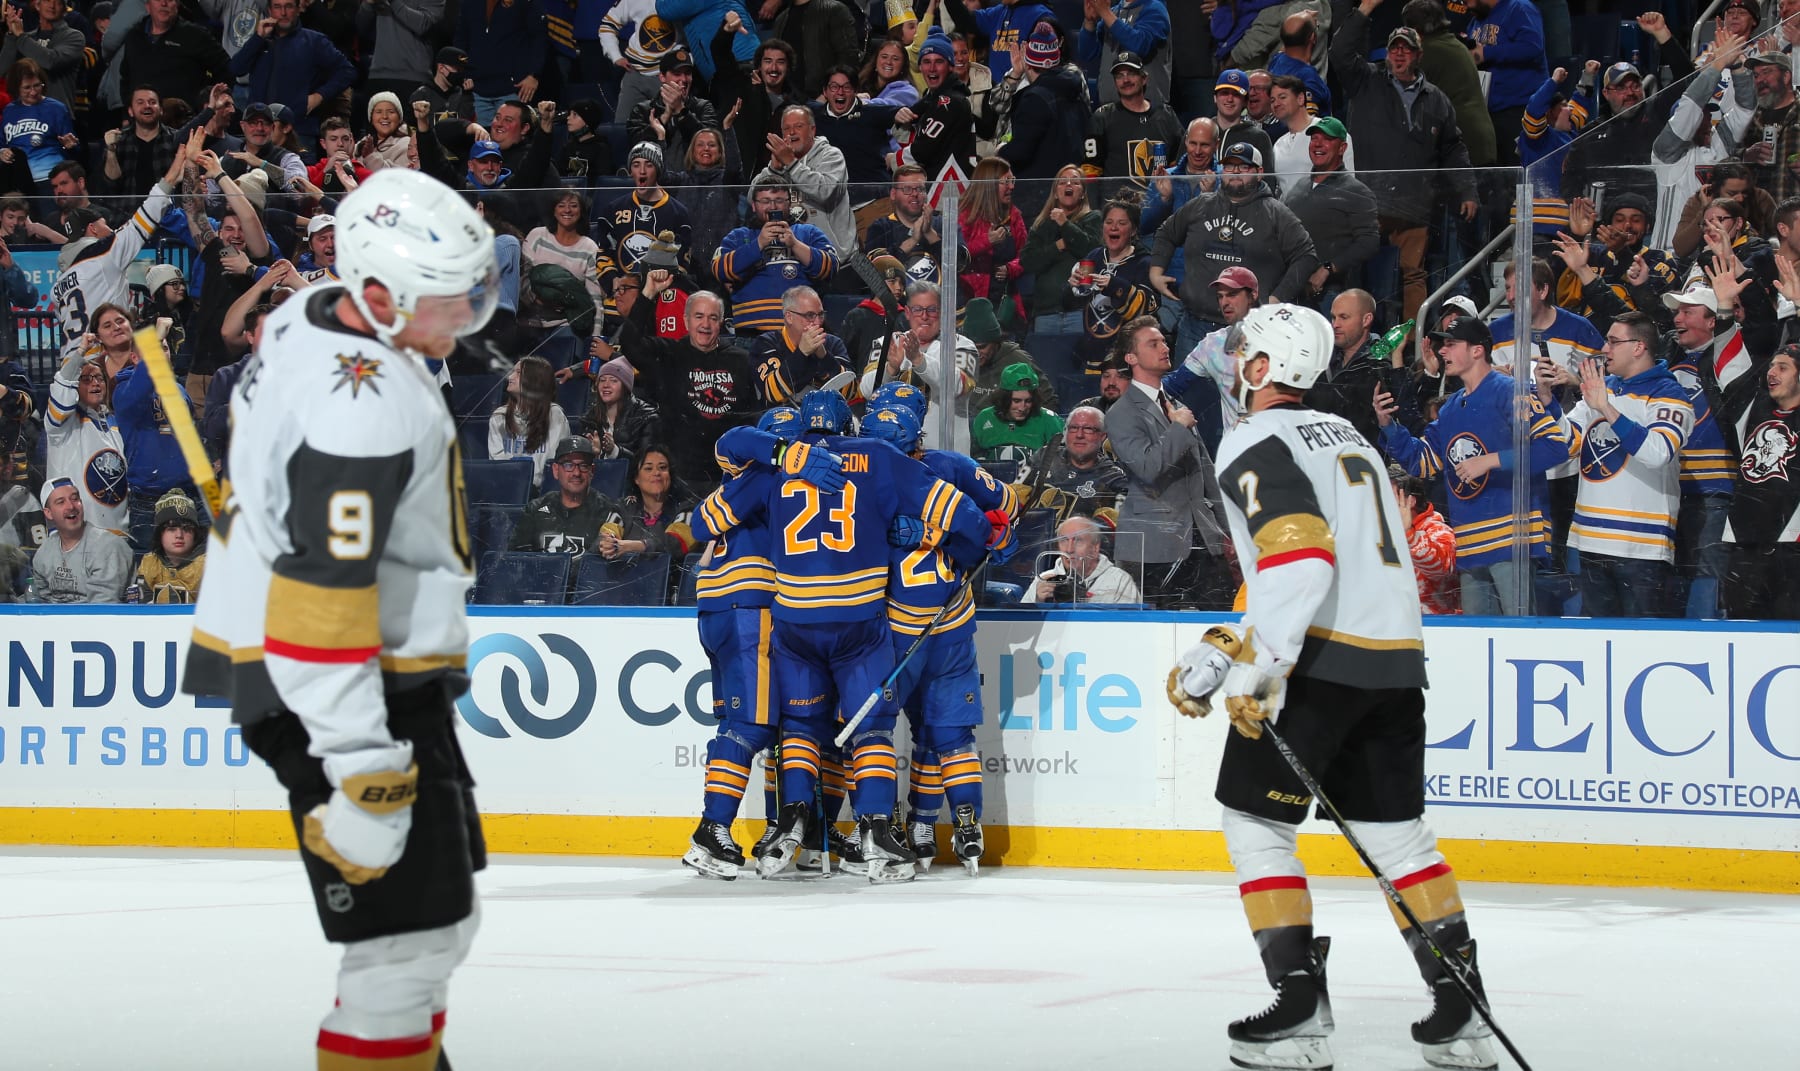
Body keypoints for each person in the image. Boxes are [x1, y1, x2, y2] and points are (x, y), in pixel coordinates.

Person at [180, 168, 497, 1071]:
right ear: (375, 293)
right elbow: (323, 594)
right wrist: (362, 769)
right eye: (446, 297)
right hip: (343, 687)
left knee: (432, 930)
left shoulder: (314, 308)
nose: (468, 312)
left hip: (350, 672)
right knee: (403, 952)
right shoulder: (365, 412)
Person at [1168, 302, 1500, 1071]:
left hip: (1317, 665)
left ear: (1260, 370)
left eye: (1242, 351)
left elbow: (1302, 561)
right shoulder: (1349, 436)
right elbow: (1323, 564)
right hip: (1392, 663)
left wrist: (1261, 668)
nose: (1233, 360)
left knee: (1255, 824)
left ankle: (1299, 1011)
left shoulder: (1253, 437)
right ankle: (1464, 1012)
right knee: (1398, 839)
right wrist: (1225, 646)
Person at [692, 389, 1002, 883]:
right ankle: (877, 833)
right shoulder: (879, 457)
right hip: (861, 621)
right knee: (872, 728)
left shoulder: (775, 464)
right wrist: (956, 542)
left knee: (798, 726)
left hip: (790, 621)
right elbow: (968, 517)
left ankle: (789, 822)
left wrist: (779, 457)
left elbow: (701, 518)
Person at [1378, 314, 1568, 616]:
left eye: (1451, 344)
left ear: (1478, 350)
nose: (1442, 351)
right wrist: (1389, 427)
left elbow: (1556, 447)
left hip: (1511, 539)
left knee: (1517, 636)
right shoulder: (1452, 406)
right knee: (1478, 641)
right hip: (1469, 543)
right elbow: (1424, 462)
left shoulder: (1510, 391)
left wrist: (1491, 461)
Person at [1330, 16, 1477, 323]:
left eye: (1406, 50)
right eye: (1393, 48)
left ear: (1418, 56)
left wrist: (1467, 190)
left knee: (1414, 274)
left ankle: (1411, 342)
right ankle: (1358, 336)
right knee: (1359, 272)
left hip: (1415, 204)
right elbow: (1340, 54)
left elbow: (1453, 148)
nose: (1398, 54)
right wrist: (1364, 12)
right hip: (1370, 203)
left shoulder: (1436, 99)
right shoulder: (1367, 82)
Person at [1555, 310, 1693, 618]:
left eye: (1614, 341)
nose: (1605, 349)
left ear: (1639, 347)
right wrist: (1546, 399)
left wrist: (1604, 407)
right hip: (1590, 540)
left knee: (1641, 646)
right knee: (1597, 645)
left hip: (1640, 547)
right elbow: (1568, 442)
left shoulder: (1669, 394)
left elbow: (1658, 452)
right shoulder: (1604, 387)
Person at [1104, 315, 1233, 609]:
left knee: (1221, 624)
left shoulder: (1177, 408)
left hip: (1203, 541)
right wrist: (1178, 428)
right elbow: (1148, 469)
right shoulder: (1122, 413)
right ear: (1131, 357)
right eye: (1153, 343)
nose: (1164, 347)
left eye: (1163, 340)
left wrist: (1228, 532)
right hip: (1154, 549)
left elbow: (1207, 475)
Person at [1149, 141, 1319, 358]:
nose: (1235, 172)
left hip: (1250, 331)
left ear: (1259, 173)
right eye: (1229, 166)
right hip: (1194, 326)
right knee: (1185, 391)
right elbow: (1166, 232)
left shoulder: (1276, 213)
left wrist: (1277, 298)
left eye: (1243, 167)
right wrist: (1155, 272)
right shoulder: (1201, 205)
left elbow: (1306, 255)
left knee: (1242, 393)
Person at [622, 268, 760, 489]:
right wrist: (648, 293)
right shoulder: (669, 354)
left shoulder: (742, 360)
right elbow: (629, 342)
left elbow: (750, 414)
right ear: (686, 320)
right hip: (681, 476)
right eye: (699, 316)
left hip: (729, 474)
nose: (705, 325)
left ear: (721, 322)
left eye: (712, 318)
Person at [56, 148, 185, 361]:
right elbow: (143, 218)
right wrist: (171, 177)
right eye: (104, 225)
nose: (110, 230)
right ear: (93, 230)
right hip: (102, 359)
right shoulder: (104, 254)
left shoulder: (59, 282)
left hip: (70, 364)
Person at [1721, 344, 1800, 620]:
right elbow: (1727, 371)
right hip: (1744, 544)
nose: (1772, 373)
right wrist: (1724, 312)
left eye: (1783, 367)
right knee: (1741, 629)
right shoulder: (1754, 408)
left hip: (1792, 545)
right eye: (1771, 366)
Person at [712, 177, 837, 336]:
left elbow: (831, 267)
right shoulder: (739, 236)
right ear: (754, 205)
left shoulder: (807, 232)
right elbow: (719, 270)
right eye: (765, 201)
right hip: (751, 332)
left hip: (802, 331)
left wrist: (795, 245)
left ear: (789, 203)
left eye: (779, 200)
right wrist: (758, 244)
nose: (772, 206)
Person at [228, 0, 356, 141]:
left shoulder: (314, 41)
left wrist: (319, 96)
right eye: (277, 7)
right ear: (270, 11)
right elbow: (236, 68)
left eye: (288, 6)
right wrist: (257, 38)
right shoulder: (260, 40)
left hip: (299, 131)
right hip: (260, 131)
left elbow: (347, 71)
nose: (283, 13)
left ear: (298, 9)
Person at [996, 25, 1087, 219]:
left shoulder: (1034, 98)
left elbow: (1021, 152)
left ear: (1028, 63)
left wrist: (1000, 153)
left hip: (1038, 198)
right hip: (1071, 195)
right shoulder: (1075, 89)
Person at [755, 102, 856, 260]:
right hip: (791, 258)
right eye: (786, 129)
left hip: (834, 257)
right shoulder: (779, 163)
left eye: (798, 126)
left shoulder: (831, 156)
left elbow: (825, 192)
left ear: (812, 130)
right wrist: (773, 169)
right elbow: (752, 200)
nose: (792, 132)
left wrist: (792, 164)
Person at [44, 348, 128, 538]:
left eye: (99, 378)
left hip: (118, 533)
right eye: (86, 379)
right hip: (77, 536)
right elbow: (61, 392)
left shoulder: (115, 422)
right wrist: (80, 353)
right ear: (74, 386)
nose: (95, 383)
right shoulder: (62, 425)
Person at [510, 435, 621, 557]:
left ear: (592, 471)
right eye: (569, 465)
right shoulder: (534, 509)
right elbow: (517, 560)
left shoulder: (608, 511)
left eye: (583, 466)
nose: (576, 473)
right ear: (556, 470)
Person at [1022, 165, 1102, 335]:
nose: (1068, 185)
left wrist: (1065, 224)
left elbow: (1092, 250)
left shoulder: (1093, 218)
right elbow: (1028, 261)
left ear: (1083, 193)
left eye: (1075, 182)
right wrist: (1057, 246)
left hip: (1080, 311)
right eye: (1062, 182)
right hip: (1046, 312)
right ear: (1055, 192)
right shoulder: (1042, 224)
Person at [30, 476, 133, 602]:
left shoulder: (107, 547)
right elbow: (43, 605)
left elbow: (103, 608)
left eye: (75, 499)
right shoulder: (43, 554)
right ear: (48, 513)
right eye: (61, 502)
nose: (71, 506)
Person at [750, 284, 853, 406]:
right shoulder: (766, 344)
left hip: (828, 419)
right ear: (789, 317)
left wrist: (824, 357)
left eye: (820, 314)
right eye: (809, 315)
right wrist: (802, 353)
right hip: (782, 420)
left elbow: (849, 392)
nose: (818, 322)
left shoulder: (833, 343)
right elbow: (773, 393)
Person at [960, 155, 1029, 330]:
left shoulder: (1014, 216)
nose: (1012, 187)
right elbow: (955, 255)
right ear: (989, 184)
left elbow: (1027, 254)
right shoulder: (966, 216)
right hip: (971, 303)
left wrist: (1011, 268)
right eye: (1006, 182)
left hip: (1005, 304)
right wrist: (987, 241)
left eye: (1012, 180)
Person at [1022, 513, 1140, 604]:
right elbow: (1021, 629)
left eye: (1078, 540)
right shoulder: (1044, 580)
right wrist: (1037, 602)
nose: (1069, 549)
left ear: (1095, 547)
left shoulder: (1119, 581)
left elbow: (1129, 629)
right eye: (1064, 540)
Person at [487, 355, 569, 485]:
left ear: (534, 380)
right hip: (508, 488)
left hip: (543, 490)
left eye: (518, 373)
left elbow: (553, 462)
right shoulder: (499, 417)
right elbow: (497, 463)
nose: (510, 377)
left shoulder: (554, 415)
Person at [1391, 467, 1459, 614]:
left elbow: (1441, 568)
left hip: (1433, 627)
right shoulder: (1375, 534)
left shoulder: (1439, 530)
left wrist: (1409, 535)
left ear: (1410, 502)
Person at [1, 57, 76, 189]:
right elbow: (2, 143)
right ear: (16, 88)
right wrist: (2, 152)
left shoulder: (57, 109)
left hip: (50, 179)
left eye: (37, 85)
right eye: (27, 88)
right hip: (17, 180)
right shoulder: (9, 111)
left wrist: (69, 145)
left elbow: (73, 148)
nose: (33, 92)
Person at [574, 357, 661, 464]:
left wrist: (615, 451)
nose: (606, 385)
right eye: (602, 380)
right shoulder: (589, 419)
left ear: (625, 386)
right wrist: (594, 455)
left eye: (613, 380)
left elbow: (647, 464)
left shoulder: (646, 417)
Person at [971, 362, 1064, 458]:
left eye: (1028, 401)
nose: (1022, 408)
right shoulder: (984, 418)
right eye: (1016, 401)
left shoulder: (1049, 419)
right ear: (1004, 399)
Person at [128, 488, 205, 603]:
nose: (179, 535)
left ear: (195, 533)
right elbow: (142, 611)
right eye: (171, 529)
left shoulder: (209, 566)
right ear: (159, 533)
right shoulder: (149, 564)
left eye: (187, 528)